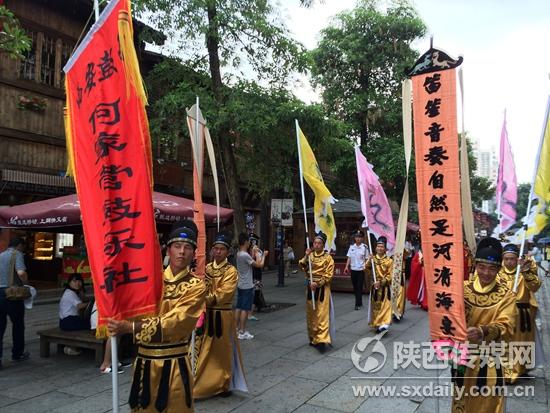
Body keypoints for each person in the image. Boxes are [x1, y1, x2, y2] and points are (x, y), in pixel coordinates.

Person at [108, 220, 206, 413]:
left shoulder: (196, 286)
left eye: (187, 248)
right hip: (144, 361)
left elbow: (176, 323)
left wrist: (131, 328)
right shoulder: (149, 279)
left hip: (174, 363)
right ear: (168, 250)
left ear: (193, 253)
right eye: (177, 246)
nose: (182, 252)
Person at [451, 237, 517, 413]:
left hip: (490, 359)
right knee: (461, 400)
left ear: (498, 270)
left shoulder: (506, 295)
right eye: (482, 267)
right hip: (463, 357)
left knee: (487, 402)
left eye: (492, 268)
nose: (486, 273)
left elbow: (507, 324)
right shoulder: (462, 289)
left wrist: (483, 331)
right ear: (475, 266)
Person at [194, 231, 247, 399]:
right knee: (202, 349)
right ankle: (201, 382)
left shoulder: (231, 271)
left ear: (228, 252)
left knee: (222, 350)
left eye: (221, 249)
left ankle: (223, 384)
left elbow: (225, 294)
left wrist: (202, 299)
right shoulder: (206, 268)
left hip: (222, 317)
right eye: (215, 249)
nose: (217, 252)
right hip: (206, 315)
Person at [499, 244, 542, 383]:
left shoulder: (525, 270)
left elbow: (535, 286)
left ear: (517, 259)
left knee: (522, 343)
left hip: (523, 313)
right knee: (506, 343)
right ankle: (508, 372)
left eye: (512, 259)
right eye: (506, 259)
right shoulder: (498, 273)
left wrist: (525, 271)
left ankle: (522, 369)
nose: (509, 262)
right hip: (505, 313)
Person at [299, 231, 334, 353]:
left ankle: (322, 340)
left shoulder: (328, 258)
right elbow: (302, 266)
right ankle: (313, 338)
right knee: (311, 313)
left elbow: (329, 275)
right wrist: (306, 255)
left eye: (319, 243)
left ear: (323, 245)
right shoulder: (310, 256)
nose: (316, 245)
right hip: (310, 289)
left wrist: (318, 283)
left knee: (322, 314)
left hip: (322, 289)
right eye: (315, 243)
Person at [0, 237, 30, 368]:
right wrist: (26, 283)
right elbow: (21, 272)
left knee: (0, 327)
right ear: (19, 246)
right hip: (12, 294)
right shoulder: (16, 254)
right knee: (18, 324)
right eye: (23, 247)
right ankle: (17, 353)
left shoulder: (1, 255)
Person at [235, 233, 268, 340]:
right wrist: (262, 255)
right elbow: (259, 264)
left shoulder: (239, 254)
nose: (250, 243)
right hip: (247, 285)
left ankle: (236, 329)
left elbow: (251, 262)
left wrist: (254, 254)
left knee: (239, 307)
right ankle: (242, 331)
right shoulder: (244, 255)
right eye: (248, 241)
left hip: (240, 284)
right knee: (245, 308)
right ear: (245, 242)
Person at [366, 236, 393, 333]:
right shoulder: (373, 259)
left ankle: (384, 324)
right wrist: (369, 260)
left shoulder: (389, 261)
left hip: (385, 289)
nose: (380, 248)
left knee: (385, 306)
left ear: (385, 249)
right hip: (375, 288)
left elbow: (390, 276)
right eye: (378, 246)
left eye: (382, 247)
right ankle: (377, 323)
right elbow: (366, 269)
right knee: (376, 306)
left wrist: (381, 282)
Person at [59, 273, 90, 355]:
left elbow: (84, 299)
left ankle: (71, 346)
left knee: (88, 322)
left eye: (79, 281)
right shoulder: (70, 293)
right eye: (74, 281)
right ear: (69, 283)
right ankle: (72, 347)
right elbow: (80, 306)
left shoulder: (72, 292)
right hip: (69, 322)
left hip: (65, 321)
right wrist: (93, 303)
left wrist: (81, 291)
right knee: (91, 324)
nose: (77, 283)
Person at [344, 230, 369, 310]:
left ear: (362, 238)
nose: (358, 239)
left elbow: (367, 258)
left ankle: (357, 304)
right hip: (353, 269)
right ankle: (359, 302)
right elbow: (349, 258)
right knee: (355, 287)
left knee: (359, 287)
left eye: (360, 237)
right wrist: (346, 267)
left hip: (361, 270)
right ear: (354, 238)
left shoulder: (364, 247)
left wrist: (366, 266)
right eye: (356, 237)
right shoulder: (351, 247)